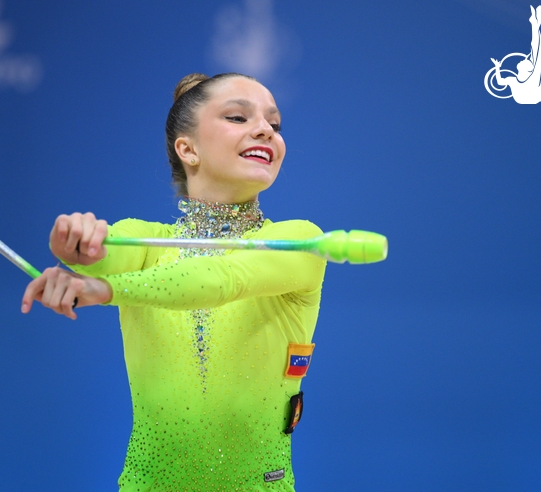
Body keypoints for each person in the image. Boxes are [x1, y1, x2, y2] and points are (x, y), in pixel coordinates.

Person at [22, 72, 327, 491]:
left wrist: (108, 291)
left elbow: (220, 277)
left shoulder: (298, 241)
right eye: (238, 117)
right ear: (188, 149)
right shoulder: (143, 242)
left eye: (274, 125)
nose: (265, 130)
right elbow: (104, 253)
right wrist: (77, 245)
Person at [491, 5, 541, 104]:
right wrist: (497, 67)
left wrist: (497, 68)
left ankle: (535, 23)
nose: (523, 59)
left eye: (525, 61)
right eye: (526, 60)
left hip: (532, 95)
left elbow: (537, 49)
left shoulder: (531, 77)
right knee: (536, 52)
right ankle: (535, 23)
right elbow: (500, 82)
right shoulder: (514, 80)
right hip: (528, 96)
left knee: (536, 51)